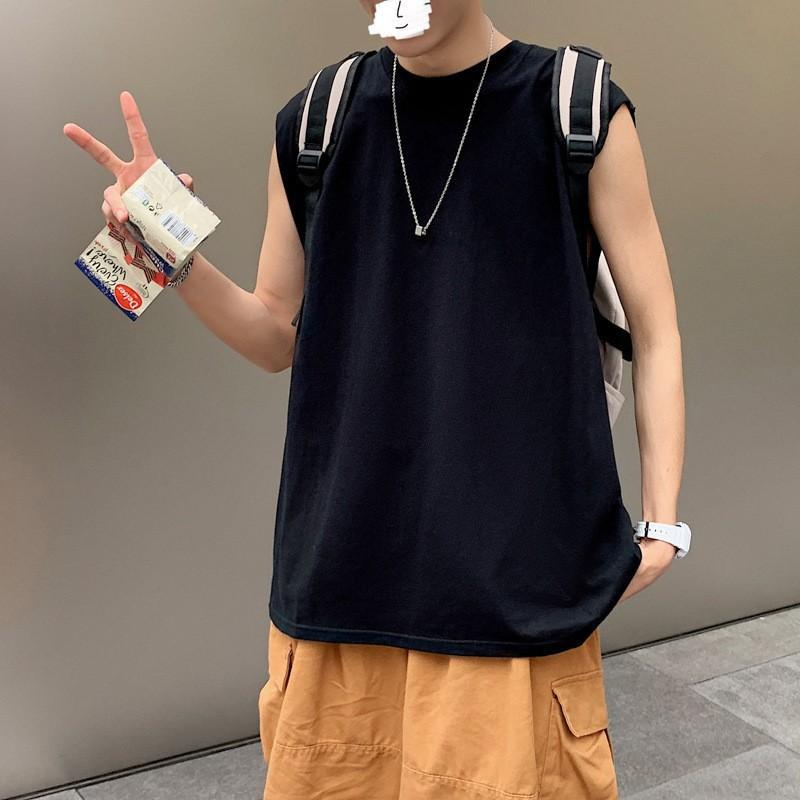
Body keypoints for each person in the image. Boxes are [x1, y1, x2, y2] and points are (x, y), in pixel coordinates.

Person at [63, 1, 687, 797]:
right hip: (341, 586)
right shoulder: (317, 121)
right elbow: (273, 336)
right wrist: (164, 249)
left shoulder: (576, 107)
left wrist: (662, 523)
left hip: (514, 596)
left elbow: (656, 331)